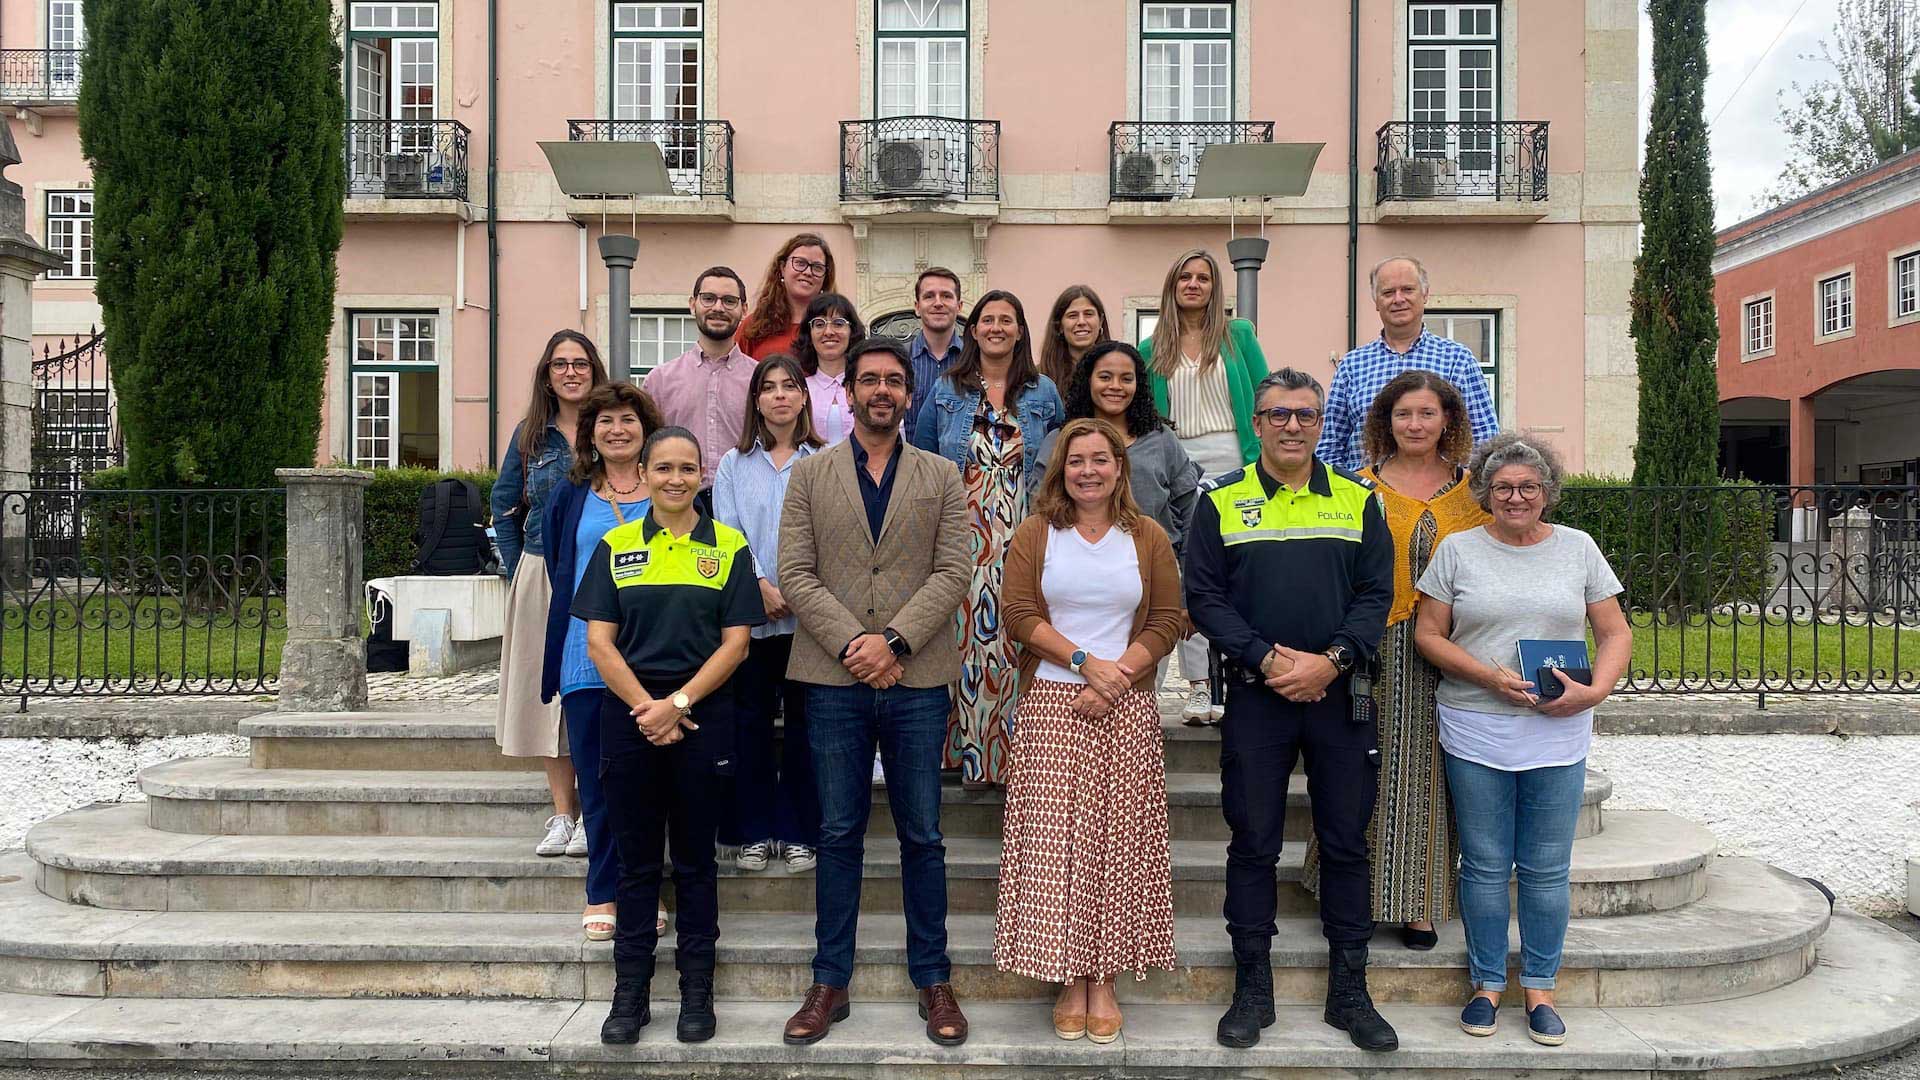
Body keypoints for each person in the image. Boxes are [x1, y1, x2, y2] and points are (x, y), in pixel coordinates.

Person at [1185, 368, 1397, 1054]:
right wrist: (1268, 660)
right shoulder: (1221, 499)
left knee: (1345, 843)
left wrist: (1329, 661)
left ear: (1320, 421)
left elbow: (1376, 594)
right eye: (1278, 414)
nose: (1291, 426)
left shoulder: (1357, 499)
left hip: (1342, 697)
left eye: (1305, 414)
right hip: (1257, 696)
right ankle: (1253, 990)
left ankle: (1350, 992)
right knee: (1253, 844)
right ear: (1257, 422)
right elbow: (1204, 596)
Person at [776, 338, 973, 1049]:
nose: (882, 390)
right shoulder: (809, 475)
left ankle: (934, 978)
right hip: (831, 679)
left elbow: (953, 572)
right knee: (837, 832)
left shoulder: (943, 475)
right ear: (848, 392)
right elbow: (794, 573)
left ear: (908, 394)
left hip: (917, 678)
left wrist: (891, 642)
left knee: (923, 834)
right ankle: (831, 980)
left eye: (894, 379)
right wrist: (853, 646)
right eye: (869, 380)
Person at [1412, 432, 1631, 1048]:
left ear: (1546, 493)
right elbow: (1429, 634)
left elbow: (1614, 632)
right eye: (1504, 486)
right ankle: (1485, 985)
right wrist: (1488, 676)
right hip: (1476, 723)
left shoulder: (1578, 549)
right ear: (1484, 492)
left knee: (1545, 868)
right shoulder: (1457, 551)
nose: (1516, 497)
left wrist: (1597, 691)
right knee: (1482, 865)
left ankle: (1539, 986)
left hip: (1558, 732)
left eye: (1528, 487)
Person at [573, 426, 766, 1046]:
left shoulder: (729, 546)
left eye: (687, 469)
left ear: (701, 476)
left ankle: (696, 993)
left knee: (694, 863)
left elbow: (737, 644)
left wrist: (678, 703)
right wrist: (648, 709)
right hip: (631, 719)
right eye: (664, 469)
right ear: (647, 474)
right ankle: (629, 993)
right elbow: (599, 641)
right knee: (634, 866)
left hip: (702, 714)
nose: (675, 479)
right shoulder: (616, 543)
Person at [995, 417, 1184, 1045]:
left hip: (1125, 706)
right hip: (1052, 702)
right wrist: (1084, 665)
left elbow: (1167, 617)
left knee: (1117, 845)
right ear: (1060, 470)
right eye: (1076, 461)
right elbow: (1017, 612)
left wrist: (1120, 676)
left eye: (1101, 459)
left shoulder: (1148, 536)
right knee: (1056, 848)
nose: (1088, 471)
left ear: (1119, 467)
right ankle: (1067, 976)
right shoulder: (1037, 533)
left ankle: (1102, 977)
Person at [1302, 371, 1489, 949]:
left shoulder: (1471, 494)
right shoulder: (1354, 488)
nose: (1415, 425)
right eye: (1404, 414)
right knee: (1359, 772)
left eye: (1427, 414)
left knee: (1430, 776)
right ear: (1386, 421)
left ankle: (1421, 904)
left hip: (1446, 650)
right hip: (1367, 647)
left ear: (1448, 422)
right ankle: (1346, 892)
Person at [913, 289, 1064, 787]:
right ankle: (961, 755)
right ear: (971, 330)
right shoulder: (944, 390)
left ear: (1021, 330)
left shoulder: (1043, 393)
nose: (996, 327)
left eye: (1007, 320)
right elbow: (924, 465)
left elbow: (1058, 466)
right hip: (962, 533)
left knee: (1012, 639)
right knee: (962, 641)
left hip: (1022, 534)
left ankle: (1009, 758)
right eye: (986, 320)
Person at [539, 382, 665, 942]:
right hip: (585, 653)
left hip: (656, 655)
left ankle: (646, 888)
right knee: (598, 780)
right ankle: (604, 890)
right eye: (605, 421)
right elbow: (558, 565)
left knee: (651, 781)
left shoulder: (669, 486)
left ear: (645, 429)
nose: (617, 429)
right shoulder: (570, 496)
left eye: (628, 420)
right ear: (590, 433)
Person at [1140, 248, 1271, 726]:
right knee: (1175, 572)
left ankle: (1215, 684)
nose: (1194, 285)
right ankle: (1161, 686)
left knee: (1226, 576)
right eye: (1185, 277)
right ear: (1172, 286)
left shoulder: (1239, 336)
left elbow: (1265, 396)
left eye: (1203, 278)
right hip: (1176, 463)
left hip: (1234, 462)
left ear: (1216, 288)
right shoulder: (1151, 350)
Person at [493, 330, 609, 858]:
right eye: (560, 364)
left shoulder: (609, 427)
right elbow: (503, 505)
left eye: (580, 363)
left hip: (602, 569)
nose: (570, 372)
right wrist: (520, 567)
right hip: (543, 573)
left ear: (594, 369)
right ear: (547, 374)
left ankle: (595, 811)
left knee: (596, 691)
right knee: (550, 698)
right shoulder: (530, 437)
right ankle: (563, 813)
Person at [712, 354, 825, 875]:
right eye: (769, 387)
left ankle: (799, 831)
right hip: (751, 617)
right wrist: (760, 584)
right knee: (750, 726)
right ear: (756, 399)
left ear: (804, 397)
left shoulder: (826, 460)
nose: (780, 395)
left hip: (810, 619)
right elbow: (728, 532)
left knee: (805, 728)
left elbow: (830, 536)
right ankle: (755, 830)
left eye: (789, 386)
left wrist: (799, 591)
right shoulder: (735, 465)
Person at [1316, 255, 1501, 473]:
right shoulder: (1352, 365)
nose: (1398, 299)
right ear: (1376, 301)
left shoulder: (1458, 359)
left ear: (1425, 295)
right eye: (1388, 292)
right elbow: (1331, 445)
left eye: (1407, 290)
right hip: (1364, 497)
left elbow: (1485, 440)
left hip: (1440, 497)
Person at [641, 266, 755, 494]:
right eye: (708, 298)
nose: (718, 308)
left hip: (746, 500)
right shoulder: (660, 380)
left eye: (729, 301)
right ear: (693, 304)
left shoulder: (760, 379)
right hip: (679, 502)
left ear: (744, 309)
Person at [741, 233, 836, 360]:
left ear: (825, 278)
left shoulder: (836, 330)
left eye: (817, 267)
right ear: (782, 268)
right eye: (800, 263)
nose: (808, 272)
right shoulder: (753, 327)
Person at [793, 293, 865, 445]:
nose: (829, 332)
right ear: (809, 333)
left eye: (838, 323)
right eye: (819, 324)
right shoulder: (798, 390)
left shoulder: (866, 386)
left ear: (852, 331)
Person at [904, 266, 965, 431]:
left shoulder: (975, 359)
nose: (938, 303)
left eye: (946, 296)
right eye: (929, 296)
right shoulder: (900, 360)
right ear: (917, 307)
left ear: (959, 306)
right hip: (909, 455)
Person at [1038, 284, 1112, 391]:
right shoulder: (1040, 378)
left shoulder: (1117, 373)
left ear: (1100, 321)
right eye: (1072, 315)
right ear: (1059, 326)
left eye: (1088, 314)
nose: (1081, 322)